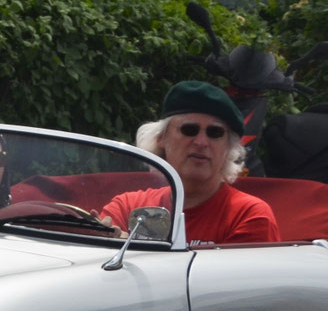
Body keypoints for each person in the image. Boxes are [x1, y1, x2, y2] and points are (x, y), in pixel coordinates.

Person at [101, 81, 279, 245]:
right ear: (161, 138)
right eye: (189, 130)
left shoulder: (248, 216)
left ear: (229, 148)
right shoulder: (127, 207)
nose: (201, 142)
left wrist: (132, 247)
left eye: (215, 133)